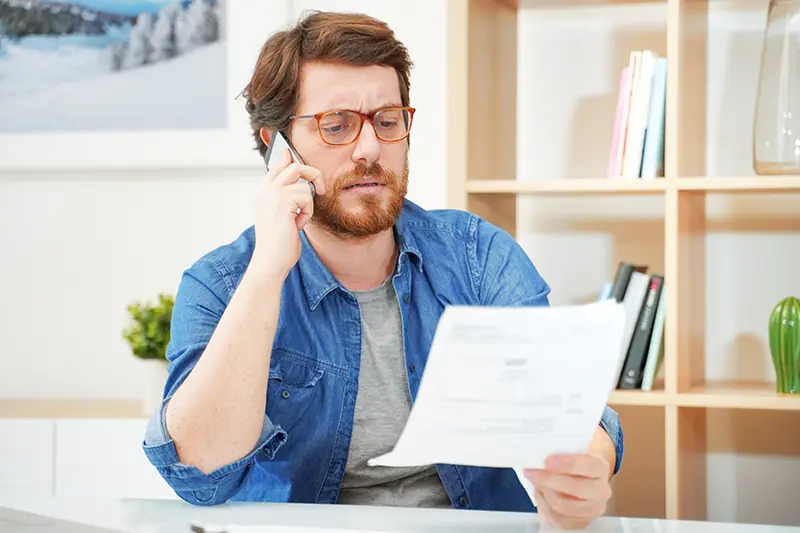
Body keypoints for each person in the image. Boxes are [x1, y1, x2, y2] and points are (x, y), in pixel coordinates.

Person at [141, 9, 623, 530]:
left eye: (388, 121)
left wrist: (585, 470)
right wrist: (267, 272)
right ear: (276, 147)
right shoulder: (223, 283)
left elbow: (570, 412)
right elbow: (197, 470)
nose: (370, 149)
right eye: (337, 125)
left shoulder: (476, 255)